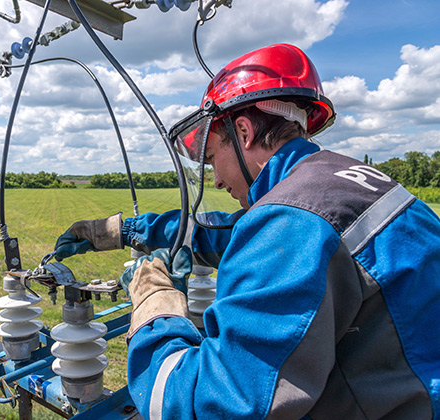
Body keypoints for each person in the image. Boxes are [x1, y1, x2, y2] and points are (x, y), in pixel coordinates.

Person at [54, 43, 440, 419]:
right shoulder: (336, 184)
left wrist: (155, 307)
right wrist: (124, 230)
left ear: (243, 132)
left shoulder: (292, 222)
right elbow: (228, 233)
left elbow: (209, 403)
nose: (217, 181)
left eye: (210, 159)